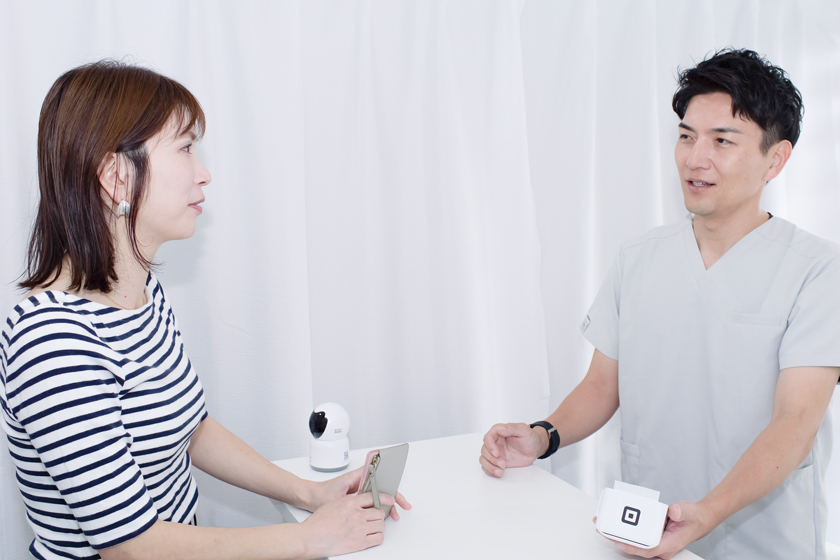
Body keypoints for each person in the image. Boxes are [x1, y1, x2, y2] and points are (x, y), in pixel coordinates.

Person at [0, 60, 409, 560]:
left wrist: (310, 493)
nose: (204, 174)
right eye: (185, 148)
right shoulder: (50, 340)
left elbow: (192, 430)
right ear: (115, 177)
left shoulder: (143, 294)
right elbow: (131, 547)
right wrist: (311, 538)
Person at [480, 48, 840, 560]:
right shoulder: (639, 258)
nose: (695, 158)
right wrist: (543, 436)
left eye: (722, 140)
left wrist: (708, 512)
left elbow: (796, 422)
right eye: (687, 136)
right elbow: (602, 386)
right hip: (647, 530)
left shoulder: (817, 270)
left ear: (775, 159)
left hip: (764, 543)